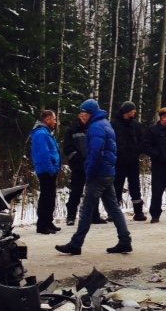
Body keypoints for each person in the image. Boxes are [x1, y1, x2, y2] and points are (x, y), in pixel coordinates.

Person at [56, 100, 132, 255]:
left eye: (83, 113)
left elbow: (95, 152)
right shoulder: (105, 124)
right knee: (114, 208)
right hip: (107, 172)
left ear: (89, 113)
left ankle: (76, 244)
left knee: (86, 209)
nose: (82, 116)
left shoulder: (96, 127)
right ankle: (125, 241)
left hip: (98, 173)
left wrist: (89, 171)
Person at [63, 112, 107, 226]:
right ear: (79, 116)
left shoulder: (94, 128)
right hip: (78, 167)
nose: (84, 118)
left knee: (93, 192)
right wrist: (78, 158)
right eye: (82, 116)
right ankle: (71, 216)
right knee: (76, 192)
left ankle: (95, 216)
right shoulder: (72, 130)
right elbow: (67, 149)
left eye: (86, 116)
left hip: (92, 165)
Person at [111, 101, 146, 221]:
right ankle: (114, 213)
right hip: (118, 162)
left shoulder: (136, 125)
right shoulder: (114, 124)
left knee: (135, 187)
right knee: (117, 187)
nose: (135, 112)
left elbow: (142, 139)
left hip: (133, 161)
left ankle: (139, 212)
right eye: (133, 110)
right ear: (126, 111)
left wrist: (138, 150)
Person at [29, 109, 62, 235]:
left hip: (50, 169)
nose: (55, 122)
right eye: (54, 119)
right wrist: (50, 169)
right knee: (46, 197)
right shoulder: (41, 133)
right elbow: (44, 154)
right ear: (47, 120)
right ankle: (42, 225)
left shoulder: (45, 132)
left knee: (50, 196)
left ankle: (48, 221)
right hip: (46, 170)